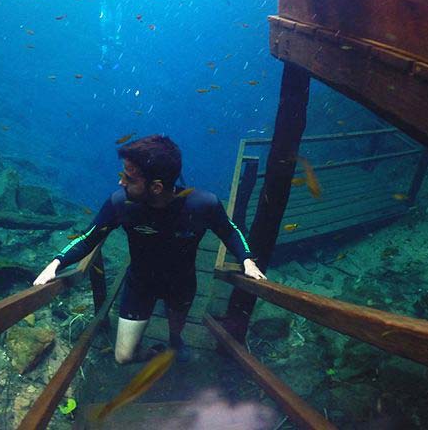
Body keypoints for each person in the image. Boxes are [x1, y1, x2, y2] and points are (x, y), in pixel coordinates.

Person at [34, 134, 266, 363]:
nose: (121, 182)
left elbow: (229, 230)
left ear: (156, 187)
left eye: (129, 178)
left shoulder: (202, 205)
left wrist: (246, 260)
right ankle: (154, 354)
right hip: (140, 284)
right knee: (123, 357)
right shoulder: (119, 204)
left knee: (176, 329)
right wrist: (56, 263)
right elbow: (88, 238)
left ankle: (175, 341)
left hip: (181, 284)